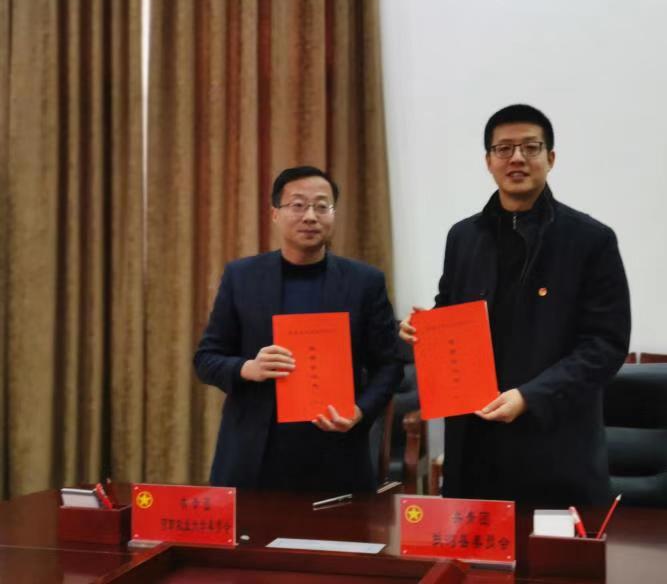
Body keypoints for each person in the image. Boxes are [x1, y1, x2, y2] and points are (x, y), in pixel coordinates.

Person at [400, 104, 631, 506]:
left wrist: (531, 396)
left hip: (554, 444)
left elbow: (605, 345)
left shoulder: (590, 240)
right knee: (471, 546)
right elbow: (450, 309)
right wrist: (424, 328)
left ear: (550, 158)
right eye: (504, 148)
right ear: (488, 161)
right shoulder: (462, 237)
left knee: (550, 548)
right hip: (474, 445)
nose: (517, 158)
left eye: (530, 147)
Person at [195, 165, 401, 493]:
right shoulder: (242, 277)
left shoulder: (365, 282)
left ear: (333, 214)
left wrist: (360, 410)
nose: (310, 216)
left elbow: (389, 366)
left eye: (322, 206)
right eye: (298, 205)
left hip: (336, 454)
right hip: (254, 455)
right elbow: (206, 359)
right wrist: (248, 368)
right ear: (275, 214)